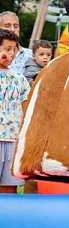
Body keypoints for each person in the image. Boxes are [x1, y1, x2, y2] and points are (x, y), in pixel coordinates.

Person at [0, 29, 30, 193]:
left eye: (14, 49)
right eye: (6, 49)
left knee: (9, 190)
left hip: (13, 140)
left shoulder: (20, 79)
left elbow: (26, 109)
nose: (10, 54)